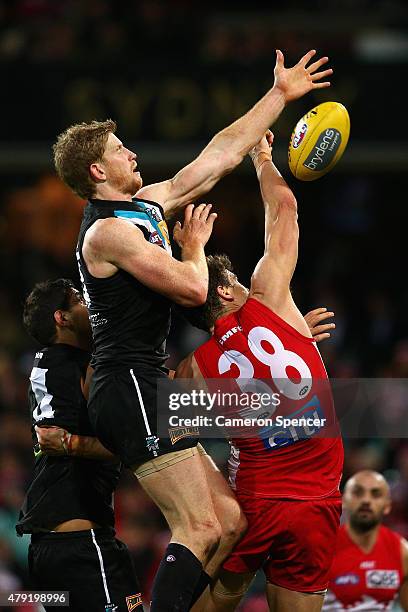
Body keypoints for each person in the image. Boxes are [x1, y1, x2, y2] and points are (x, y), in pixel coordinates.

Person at [52, 48, 333, 612]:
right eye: (119, 150)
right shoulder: (105, 234)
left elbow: (219, 153)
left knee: (229, 521)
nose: (132, 152)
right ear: (97, 171)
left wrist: (278, 96)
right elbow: (187, 289)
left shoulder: (146, 205)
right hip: (125, 382)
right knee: (203, 525)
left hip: (146, 383)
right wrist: (196, 249)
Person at [175, 131, 344, 612]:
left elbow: (171, 441)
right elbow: (285, 208)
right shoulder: (270, 300)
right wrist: (264, 157)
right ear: (227, 291)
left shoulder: (192, 369)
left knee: (217, 602)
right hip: (316, 501)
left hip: (253, 502)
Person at [17, 279, 144, 612]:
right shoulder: (79, 365)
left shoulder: (55, 365)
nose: (90, 305)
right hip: (80, 543)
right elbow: (136, 431)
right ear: (63, 318)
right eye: (79, 299)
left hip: (55, 546)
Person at [323, 470, 408, 611]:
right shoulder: (323, 549)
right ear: (343, 500)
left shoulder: (402, 551)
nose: (366, 500)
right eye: (358, 493)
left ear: (388, 505)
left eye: (376, 494)